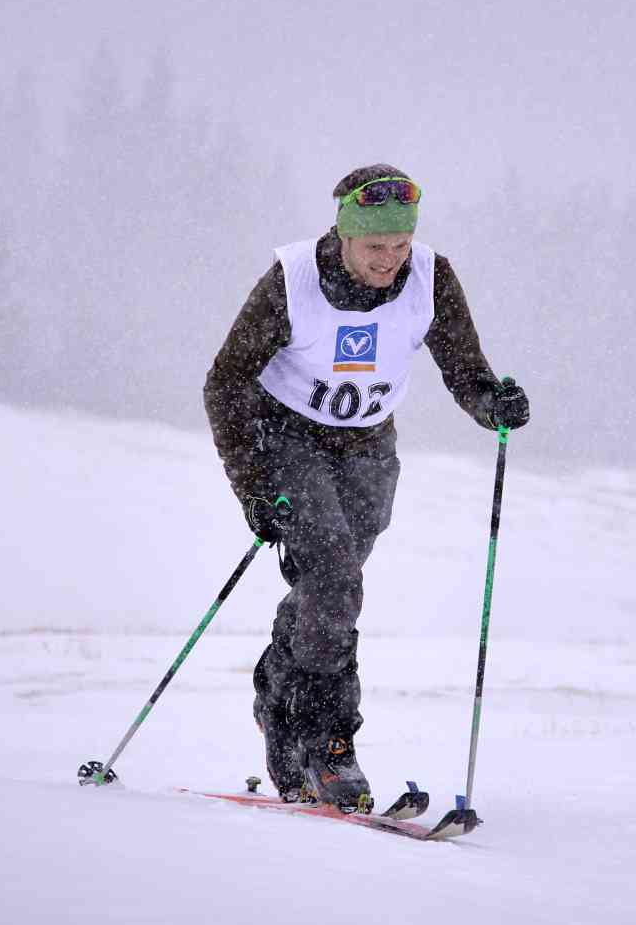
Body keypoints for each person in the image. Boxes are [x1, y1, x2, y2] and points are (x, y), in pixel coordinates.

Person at [203, 163, 530, 810]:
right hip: (290, 440)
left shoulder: (431, 277)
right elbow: (227, 381)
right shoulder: (293, 280)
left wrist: (493, 402)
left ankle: (276, 695)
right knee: (332, 579)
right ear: (344, 235)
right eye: (376, 245)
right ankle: (327, 742)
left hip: (368, 448)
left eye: (401, 244)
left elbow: (465, 369)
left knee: (331, 591)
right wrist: (253, 486)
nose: (390, 259)